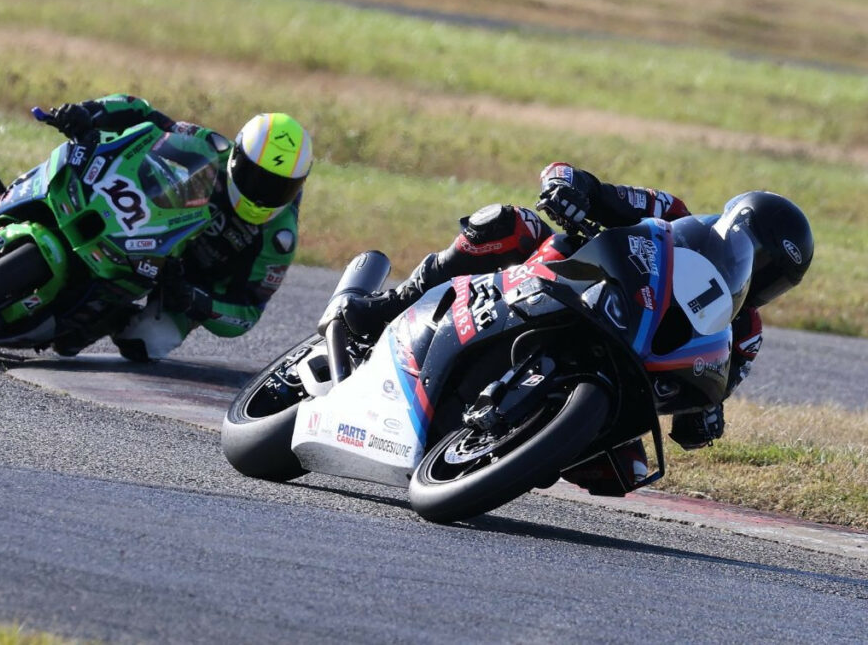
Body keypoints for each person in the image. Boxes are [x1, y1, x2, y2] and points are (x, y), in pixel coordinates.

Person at [340, 161, 814, 464]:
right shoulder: (672, 213)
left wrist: (703, 413)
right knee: (513, 225)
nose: (758, 277)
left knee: (627, 470)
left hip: (620, 375)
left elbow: (707, 393)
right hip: (571, 288)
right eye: (758, 258)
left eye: (773, 277)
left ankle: (511, 448)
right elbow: (573, 176)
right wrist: (565, 189)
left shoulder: (743, 335)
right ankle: (389, 305)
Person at [8, 94, 312, 361]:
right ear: (236, 157)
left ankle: (110, 316)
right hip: (145, 230)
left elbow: (247, 315)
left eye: (280, 187)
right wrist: (89, 111)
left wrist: (198, 301)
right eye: (256, 177)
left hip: (185, 285)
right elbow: (143, 114)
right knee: (73, 165)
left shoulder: (278, 239)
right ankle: (9, 198)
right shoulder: (209, 147)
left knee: (145, 342)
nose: (263, 193)